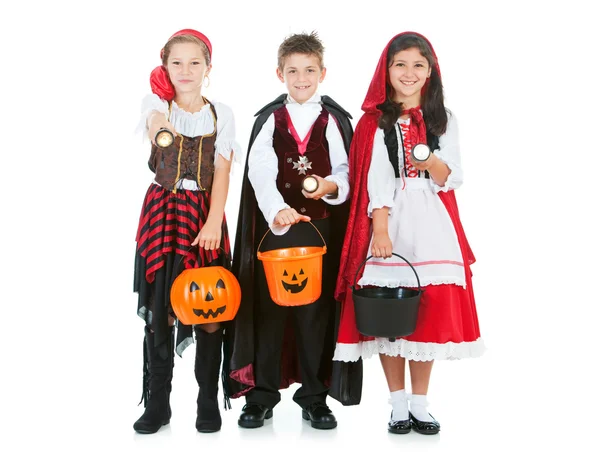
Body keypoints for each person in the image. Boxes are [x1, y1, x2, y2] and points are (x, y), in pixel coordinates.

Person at [333, 32, 484, 435]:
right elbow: (375, 179)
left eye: (419, 65)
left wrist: (428, 157)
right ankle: (397, 403)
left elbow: (450, 176)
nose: (409, 73)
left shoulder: (443, 119)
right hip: (389, 218)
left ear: (431, 71)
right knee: (388, 312)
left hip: (431, 220)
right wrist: (379, 228)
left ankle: (420, 403)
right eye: (400, 64)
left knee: (426, 311)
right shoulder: (374, 122)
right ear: (387, 70)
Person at [225, 31, 362, 430]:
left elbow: (345, 173)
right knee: (269, 313)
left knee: (315, 315)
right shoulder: (270, 119)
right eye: (292, 71)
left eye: (309, 70)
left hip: (320, 232)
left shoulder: (334, 120)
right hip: (277, 233)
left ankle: (314, 398)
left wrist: (328, 187)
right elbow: (260, 169)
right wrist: (277, 209)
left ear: (322, 72)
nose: (301, 78)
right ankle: (262, 395)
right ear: (279, 73)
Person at [132, 29, 241, 434]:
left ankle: (206, 401)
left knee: (210, 307)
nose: (186, 70)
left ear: (208, 68)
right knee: (160, 309)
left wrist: (215, 221)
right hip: (162, 211)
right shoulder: (156, 104)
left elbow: (224, 170)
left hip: (202, 213)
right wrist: (160, 116)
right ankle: (157, 404)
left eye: (195, 62)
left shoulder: (221, 114)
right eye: (176, 62)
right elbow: (154, 122)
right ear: (165, 66)